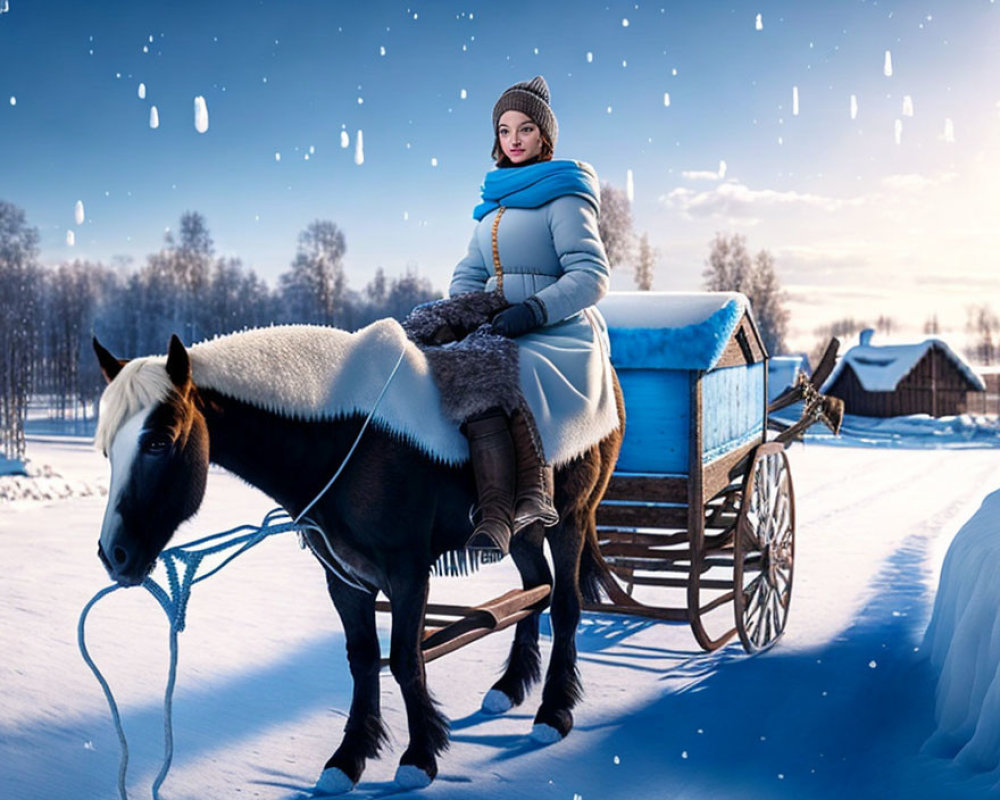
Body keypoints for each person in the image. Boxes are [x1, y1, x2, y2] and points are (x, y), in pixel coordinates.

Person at [449, 75, 613, 555]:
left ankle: (524, 499)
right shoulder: (492, 205)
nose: (514, 140)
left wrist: (534, 311)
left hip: (556, 330)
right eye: (504, 130)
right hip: (497, 326)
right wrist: (462, 310)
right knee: (447, 370)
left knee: (512, 373)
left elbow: (591, 274)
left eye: (524, 129)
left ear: (544, 136)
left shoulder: (564, 194)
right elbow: (469, 271)